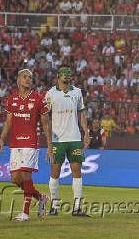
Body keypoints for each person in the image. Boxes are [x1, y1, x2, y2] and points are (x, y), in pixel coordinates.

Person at [0, 69, 52, 221]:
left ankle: (25, 213)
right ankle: (41, 197)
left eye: (30, 77)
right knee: (15, 179)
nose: (28, 79)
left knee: (26, 175)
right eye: (25, 77)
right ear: (18, 79)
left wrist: (49, 145)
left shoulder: (38, 98)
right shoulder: (12, 98)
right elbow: (8, 122)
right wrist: (2, 139)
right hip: (15, 142)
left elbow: (46, 123)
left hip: (30, 141)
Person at [45, 66, 90, 216]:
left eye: (69, 75)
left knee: (77, 171)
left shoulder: (77, 92)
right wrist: (49, 141)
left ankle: (77, 208)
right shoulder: (50, 94)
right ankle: (54, 206)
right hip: (58, 139)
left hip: (75, 138)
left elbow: (81, 114)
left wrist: (86, 133)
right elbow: (46, 118)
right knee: (55, 171)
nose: (67, 78)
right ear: (58, 76)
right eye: (65, 75)